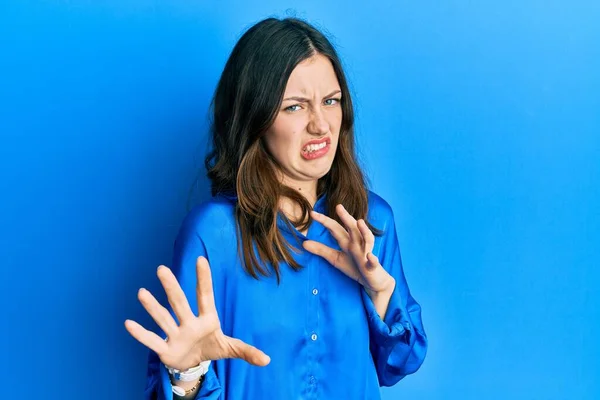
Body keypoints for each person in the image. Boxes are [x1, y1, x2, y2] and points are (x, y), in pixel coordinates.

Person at [124, 16, 428, 400]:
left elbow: (397, 365)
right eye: (295, 107)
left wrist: (382, 293)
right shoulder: (213, 234)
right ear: (256, 117)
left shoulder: (370, 220)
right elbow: (173, 385)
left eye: (330, 101)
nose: (321, 125)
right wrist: (187, 373)